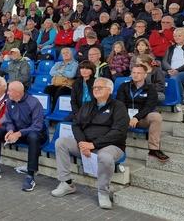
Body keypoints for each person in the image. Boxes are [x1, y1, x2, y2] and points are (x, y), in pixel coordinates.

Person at [52, 77, 128, 210]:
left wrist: (93, 145)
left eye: (100, 87)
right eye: (94, 87)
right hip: (86, 143)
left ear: (109, 90)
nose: (96, 89)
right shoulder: (87, 105)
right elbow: (76, 125)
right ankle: (66, 183)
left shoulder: (118, 106)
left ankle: (103, 192)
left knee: (105, 156)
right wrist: (82, 143)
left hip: (111, 145)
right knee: (61, 142)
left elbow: (118, 132)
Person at [0, 81, 46, 192]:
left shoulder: (34, 102)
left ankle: (30, 176)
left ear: (18, 92)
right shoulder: (9, 102)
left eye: (10, 91)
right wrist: (10, 130)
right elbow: (8, 119)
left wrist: (18, 133)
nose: (7, 92)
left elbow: (37, 126)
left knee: (33, 137)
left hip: (32, 133)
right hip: (16, 132)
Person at [116, 64, 170, 162]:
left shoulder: (151, 89)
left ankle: (154, 150)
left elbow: (149, 107)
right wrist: (127, 118)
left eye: (139, 73)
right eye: (133, 72)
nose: (135, 75)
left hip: (141, 119)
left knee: (156, 116)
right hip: (124, 118)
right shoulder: (124, 86)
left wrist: (136, 117)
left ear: (145, 75)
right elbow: (120, 104)